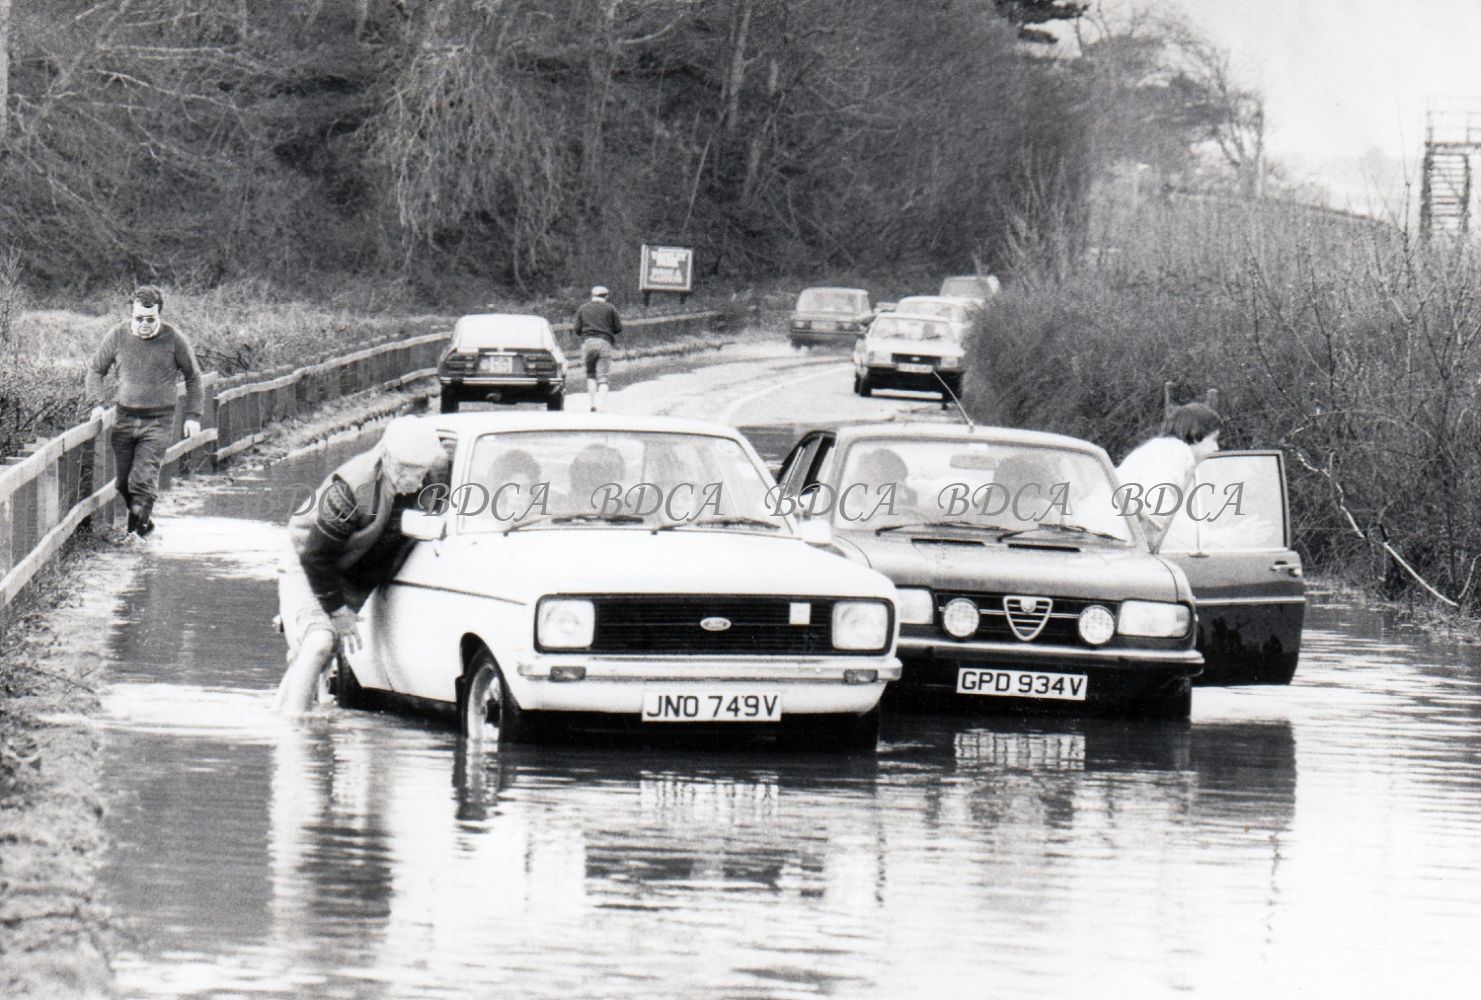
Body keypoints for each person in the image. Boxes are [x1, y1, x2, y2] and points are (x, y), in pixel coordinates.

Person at [274, 416, 448, 715]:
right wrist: (338, 612)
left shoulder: (434, 469)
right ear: (387, 457)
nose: (416, 482)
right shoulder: (351, 489)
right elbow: (316, 556)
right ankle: (296, 727)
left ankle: (285, 711)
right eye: (407, 471)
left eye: (421, 472)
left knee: (320, 654)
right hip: (311, 561)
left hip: (357, 565)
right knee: (319, 641)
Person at [85, 286, 203, 539]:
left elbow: (193, 377)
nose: (144, 325)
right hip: (124, 418)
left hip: (158, 420)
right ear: (132, 314)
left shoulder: (174, 338)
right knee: (123, 482)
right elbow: (95, 371)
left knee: (143, 479)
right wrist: (96, 403)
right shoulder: (117, 335)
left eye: (150, 319)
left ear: (159, 315)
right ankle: (144, 525)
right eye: (139, 319)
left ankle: (136, 536)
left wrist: (193, 416)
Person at [1115, 401, 1222, 542]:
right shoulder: (1175, 452)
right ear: (1196, 434)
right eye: (1214, 439)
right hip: (1110, 538)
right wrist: (1210, 539)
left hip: (1106, 534)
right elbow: (1154, 505)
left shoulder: (1161, 449)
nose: (1216, 448)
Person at [574, 285, 622, 411]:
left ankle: (593, 404)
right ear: (606, 296)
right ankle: (602, 406)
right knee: (603, 377)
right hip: (604, 342)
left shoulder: (583, 308)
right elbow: (618, 328)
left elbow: (577, 329)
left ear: (592, 295)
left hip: (588, 343)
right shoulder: (610, 308)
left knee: (590, 375)